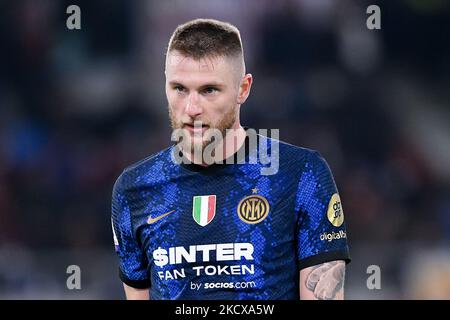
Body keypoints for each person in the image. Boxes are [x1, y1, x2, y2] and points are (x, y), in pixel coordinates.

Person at [111, 18, 350, 300]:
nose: (191, 108)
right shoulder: (134, 189)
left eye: (209, 90)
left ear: (243, 89)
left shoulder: (301, 175)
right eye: (179, 88)